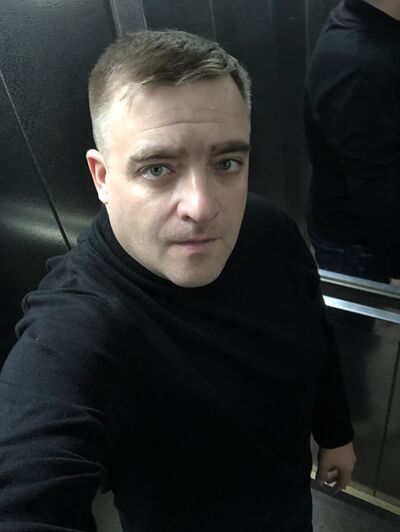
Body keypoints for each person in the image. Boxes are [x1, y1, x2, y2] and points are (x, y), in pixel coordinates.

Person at [0, 30, 355, 531]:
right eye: (157, 169)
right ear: (102, 177)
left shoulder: (269, 228)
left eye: (226, 163)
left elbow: (314, 332)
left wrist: (335, 433)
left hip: (292, 503)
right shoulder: (79, 327)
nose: (202, 207)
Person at [304, 0, 400, 284]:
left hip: (367, 226)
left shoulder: (375, 20)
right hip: (361, 248)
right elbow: (378, 190)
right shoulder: (359, 64)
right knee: (362, 316)